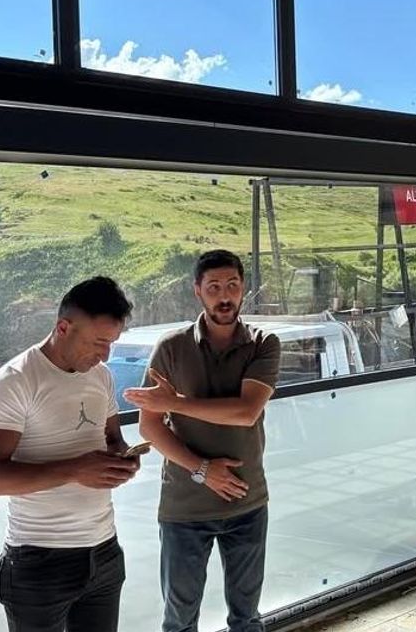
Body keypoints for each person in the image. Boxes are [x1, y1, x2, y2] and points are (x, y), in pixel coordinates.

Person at [124, 249, 281, 632]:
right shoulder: (171, 348)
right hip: (185, 508)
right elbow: (150, 427)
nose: (224, 296)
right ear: (197, 290)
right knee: (179, 622)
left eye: (232, 285)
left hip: (247, 501)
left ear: (244, 287)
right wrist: (203, 470)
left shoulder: (263, 343)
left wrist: (175, 403)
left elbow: (246, 412)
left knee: (247, 618)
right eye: (213, 287)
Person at [0, 276, 142, 632]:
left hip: (104, 551)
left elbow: (112, 438)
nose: (105, 355)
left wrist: (123, 457)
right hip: (38, 560)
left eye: (111, 343)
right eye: (98, 342)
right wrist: (76, 470)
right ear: (63, 327)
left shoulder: (101, 376)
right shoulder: (14, 381)